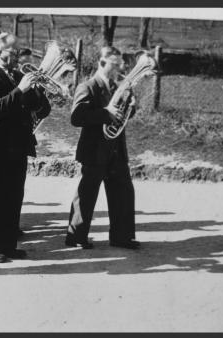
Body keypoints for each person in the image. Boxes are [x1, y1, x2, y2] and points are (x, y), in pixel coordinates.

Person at [0, 33, 51, 263]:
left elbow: (41, 111)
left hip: (18, 146)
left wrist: (39, 92)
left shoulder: (18, 75)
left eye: (18, 52)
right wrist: (21, 89)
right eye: (12, 53)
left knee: (13, 198)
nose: (17, 57)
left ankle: (7, 246)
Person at [65, 46, 140, 250]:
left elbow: (122, 117)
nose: (119, 69)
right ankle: (76, 237)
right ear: (102, 63)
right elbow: (76, 118)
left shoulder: (119, 88)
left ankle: (122, 237)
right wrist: (104, 113)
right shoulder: (87, 86)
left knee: (123, 193)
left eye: (120, 65)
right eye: (114, 65)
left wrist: (131, 108)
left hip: (116, 150)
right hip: (94, 150)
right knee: (87, 195)